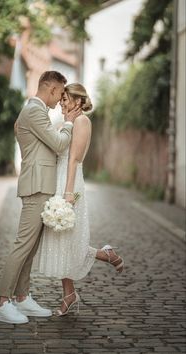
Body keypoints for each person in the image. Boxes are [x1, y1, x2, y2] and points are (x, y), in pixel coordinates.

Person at [0, 71, 82, 324]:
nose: (60, 100)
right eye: (60, 93)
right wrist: (68, 123)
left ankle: (22, 298)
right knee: (23, 246)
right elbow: (58, 143)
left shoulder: (35, 112)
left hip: (41, 184)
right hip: (35, 186)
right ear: (50, 88)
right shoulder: (34, 110)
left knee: (30, 249)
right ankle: (2, 302)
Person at [34, 83, 124, 316]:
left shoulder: (83, 122)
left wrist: (68, 194)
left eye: (66, 98)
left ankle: (105, 256)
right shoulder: (70, 122)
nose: (62, 102)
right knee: (63, 239)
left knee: (68, 239)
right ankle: (70, 294)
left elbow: (73, 159)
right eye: (62, 98)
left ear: (78, 101)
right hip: (60, 180)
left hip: (70, 183)